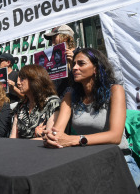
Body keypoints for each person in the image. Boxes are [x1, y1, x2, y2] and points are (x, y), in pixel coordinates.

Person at [42, 48, 140, 188]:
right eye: (74, 64)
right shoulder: (70, 96)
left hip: (120, 162)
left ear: (96, 68)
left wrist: (75, 139)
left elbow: (115, 136)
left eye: (81, 63)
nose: (74, 67)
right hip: (87, 162)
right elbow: (58, 132)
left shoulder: (115, 90)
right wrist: (51, 137)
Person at [9, 65, 60, 139]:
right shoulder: (21, 105)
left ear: (35, 80)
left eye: (22, 79)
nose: (18, 83)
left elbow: (50, 137)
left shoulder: (52, 102)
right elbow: (13, 137)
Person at [44, 24, 76, 98]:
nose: (52, 42)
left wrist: (73, 61)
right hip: (56, 101)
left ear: (65, 37)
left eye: (54, 38)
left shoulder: (79, 54)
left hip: (73, 101)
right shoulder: (53, 58)